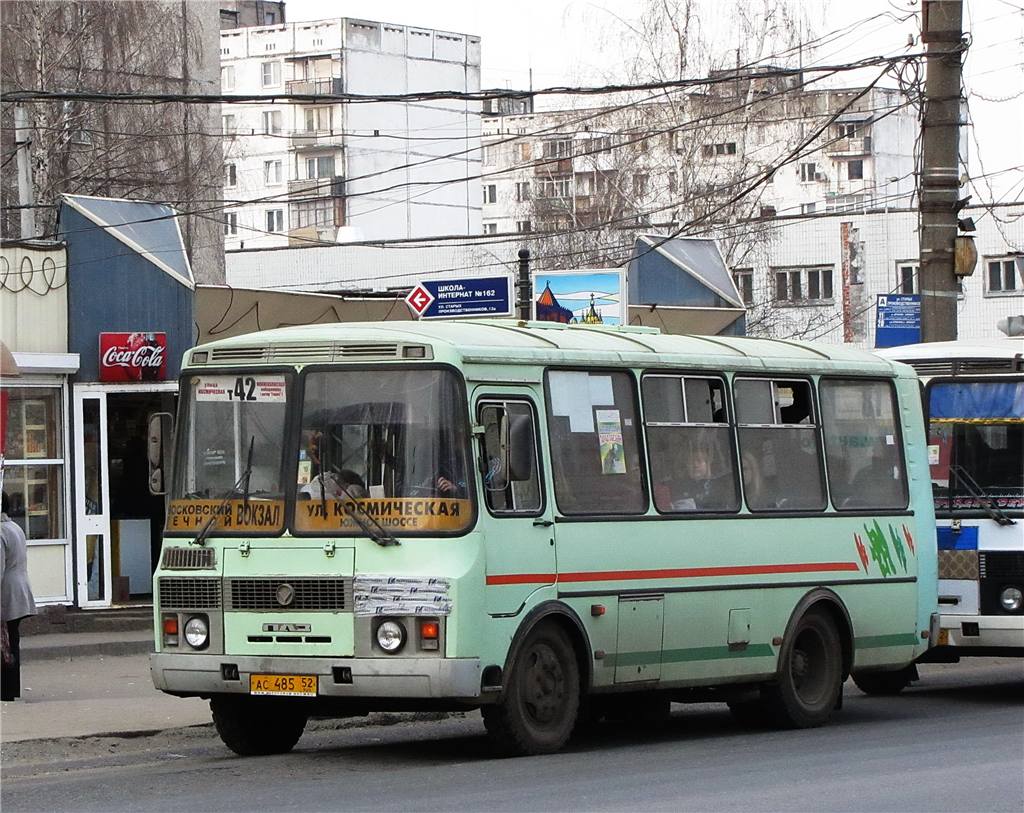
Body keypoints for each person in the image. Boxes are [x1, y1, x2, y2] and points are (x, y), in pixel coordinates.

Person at [2, 490, 37, 702]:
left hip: (6, 594)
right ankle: (12, 689)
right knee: (12, 641)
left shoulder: (0, 532)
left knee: (4, 644)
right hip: (20, 592)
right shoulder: (14, 527)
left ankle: (5, 691)